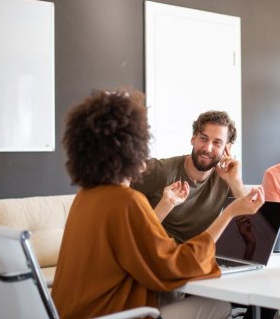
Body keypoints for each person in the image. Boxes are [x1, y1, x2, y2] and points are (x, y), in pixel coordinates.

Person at [51, 88, 265, 319]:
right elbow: (174, 267)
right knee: (221, 307)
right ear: (131, 149)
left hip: (73, 312)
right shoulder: (127, 201)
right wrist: (229, 213)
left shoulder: (86, 196)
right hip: (116, 313)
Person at [132, 110, 245, 242]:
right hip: (159, 255)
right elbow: (117, 201)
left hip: (197, 255)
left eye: (217, 142)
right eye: (203, 138)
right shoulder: (160, 171)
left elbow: (254, 230)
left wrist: (236, 183)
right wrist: (165, 205)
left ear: (227, 148)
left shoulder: (228, 179)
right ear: (193, 138)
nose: (208, 148)